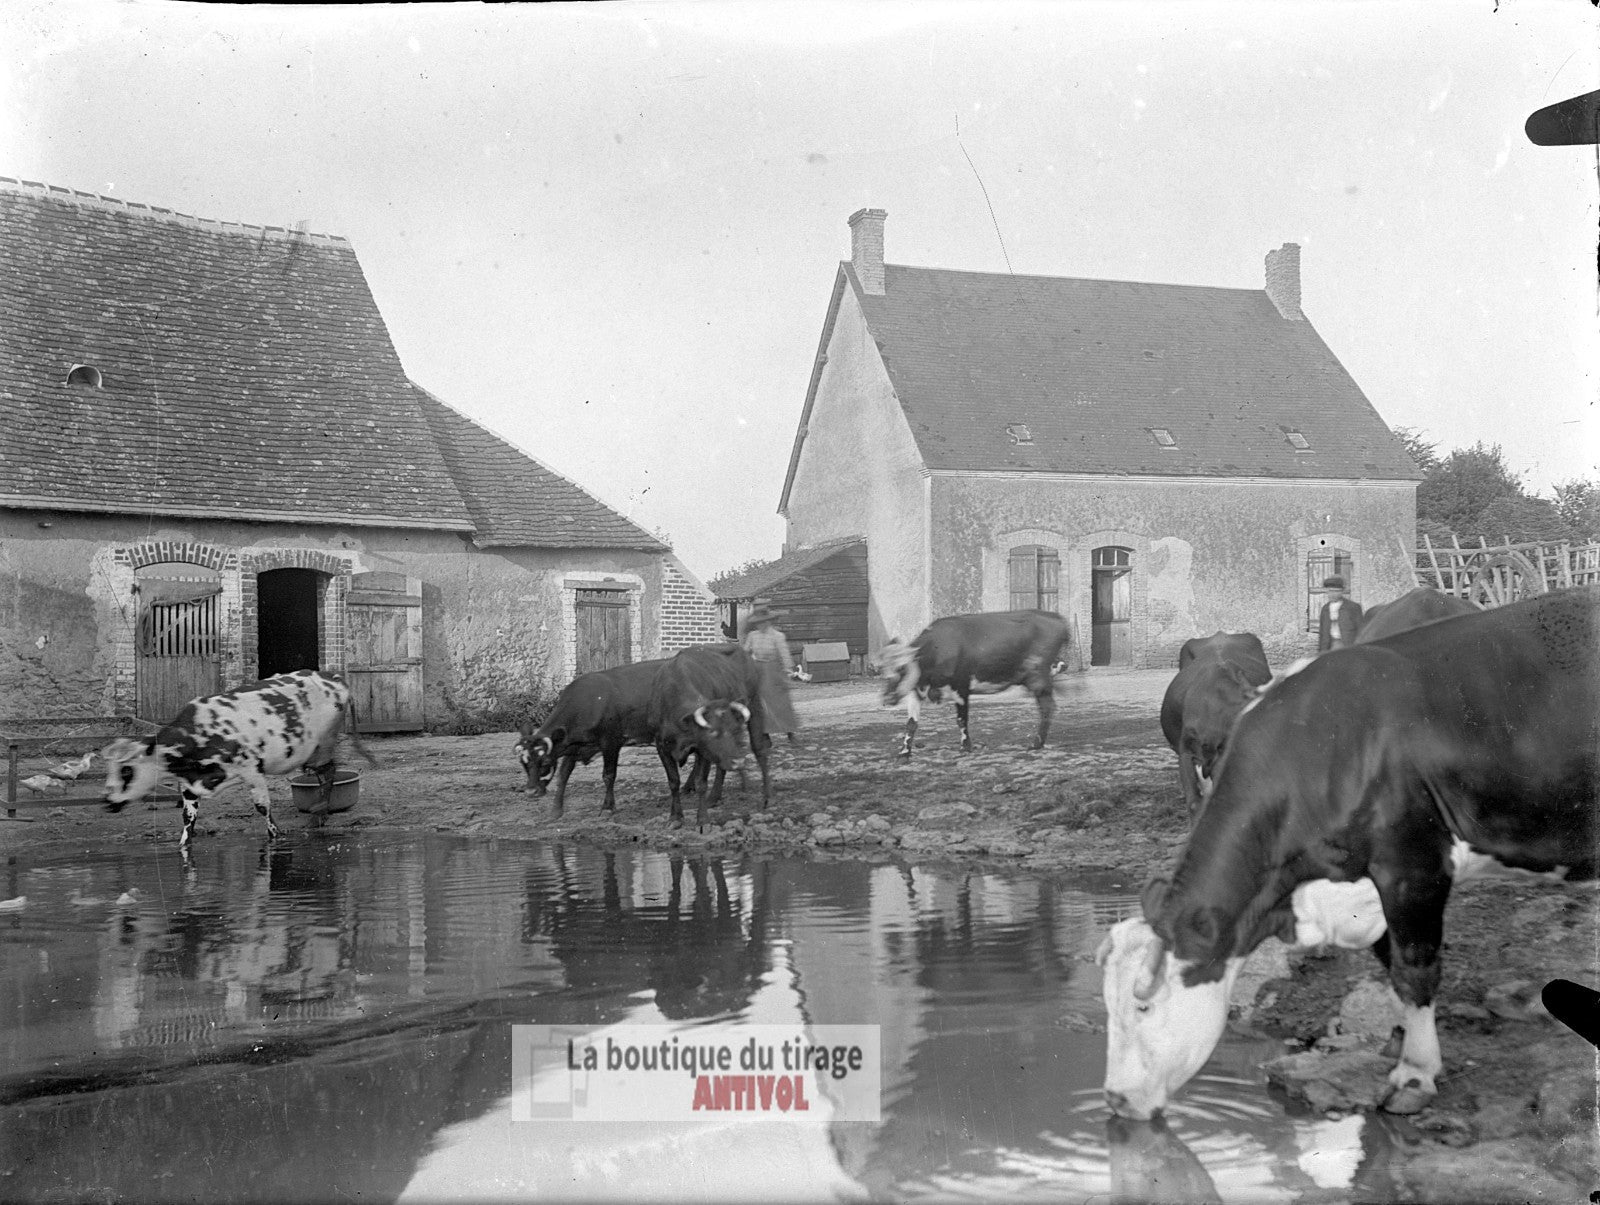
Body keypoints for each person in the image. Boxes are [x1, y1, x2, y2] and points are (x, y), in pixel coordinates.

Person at [741, 604, 800, 741]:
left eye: (763, 622)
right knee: (759, 703)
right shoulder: (752, 635)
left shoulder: (778, 636)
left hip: (773, 672)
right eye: (757, 623)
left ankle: (790, 732)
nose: (760, 625)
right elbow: (745, 653)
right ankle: (764, 734)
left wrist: (788, 671)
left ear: (768, 621)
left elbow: (785, 655)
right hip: (758, 671)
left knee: (781, 703)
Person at [1316, 575, 1363, 653]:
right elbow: (1322, 632)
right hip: (1329, 645)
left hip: (1348, 646)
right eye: (1330, 591)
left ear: (1342, 592)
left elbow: (1361, 630)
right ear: (1327, 591)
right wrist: (1321, 651)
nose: (1333, 594)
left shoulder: (1353, 607)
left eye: (1336, 591)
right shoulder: (1325, 609)